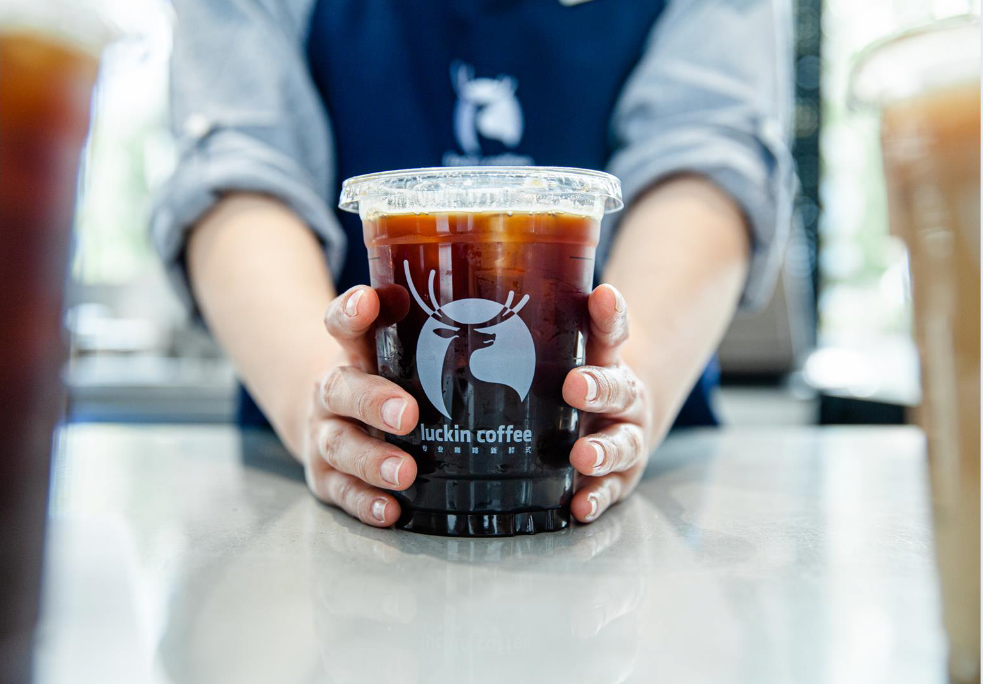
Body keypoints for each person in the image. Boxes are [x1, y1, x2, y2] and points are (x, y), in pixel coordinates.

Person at [152, 0, 794, 528]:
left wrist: (623, 397)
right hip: (308, 487)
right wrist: (320, 405)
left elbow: (708, 154)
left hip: (644, 495)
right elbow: (238, 165)